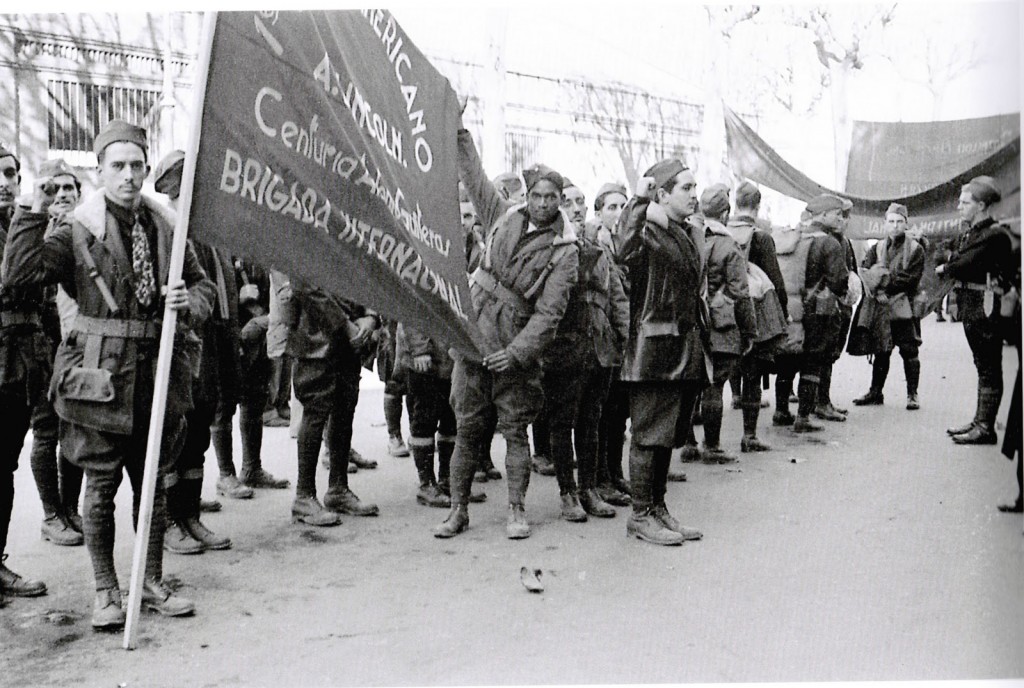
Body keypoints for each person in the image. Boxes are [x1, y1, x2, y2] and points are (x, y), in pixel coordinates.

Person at [3, 120, 213, 628]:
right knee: (99, 487)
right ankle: (105, 591)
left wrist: (190, 302)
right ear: (99, 171)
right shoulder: (76, 227)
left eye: (137, 165)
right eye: (117, 166)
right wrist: (32, 209)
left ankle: (152, 580)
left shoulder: (167, 226)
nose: (129, 175)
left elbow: (203, 288)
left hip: (158, 373)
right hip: (98, 376)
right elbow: (19, 276)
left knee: (153, 485)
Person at [434, 116, 579, 540]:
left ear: (561, 201)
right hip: (474, 338)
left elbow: (549, 316)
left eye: (553, 197)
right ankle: (457, 510)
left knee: (515, 430)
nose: (544, 204)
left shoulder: (565, 251)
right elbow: (475, 177)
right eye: (537, 195)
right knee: (468, 428)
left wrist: (515, 354)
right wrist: (459, 131)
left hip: (515, 348)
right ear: (528, 194)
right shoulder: (502, 215)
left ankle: (517, 510)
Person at [616, 159, 707, 546]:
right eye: (685, 188)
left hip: (682, 347)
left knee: (668, 435)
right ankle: (639, 515)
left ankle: (658, 508)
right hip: (653, 351)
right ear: (662, 194)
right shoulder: (647, 233)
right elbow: (622, 244)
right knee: (648, 435)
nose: (694, 194)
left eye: (694, 187)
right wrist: (637, 199)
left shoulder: (683, 233)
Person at [153, 150, 237, 555]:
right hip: (183, 343)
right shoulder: (170, 227)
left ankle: (190, 516)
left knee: (200, 429)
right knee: (176, 434)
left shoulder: (208, 229)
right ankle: (169, 521)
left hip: (214, 341)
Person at [281, 278, 380, 525]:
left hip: (349, 337)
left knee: (344, 411)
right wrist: (345, 324)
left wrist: (370, 316)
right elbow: (305, 283)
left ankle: (338, 489)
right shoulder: (306, 238)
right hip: (316, 336)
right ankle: (304, 496)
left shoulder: (348, 237)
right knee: (315, 413)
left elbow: (362, 272)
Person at [27, 159, 86, 547]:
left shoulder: (83, 233)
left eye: (70, 188)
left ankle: (69, 508)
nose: (63, 194)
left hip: (76, 347)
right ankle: (51, 514)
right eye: (55, 187)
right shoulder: (33, 234)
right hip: (40, 346)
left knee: (74, 429)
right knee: (46, 431)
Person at [0, 145, 49, 603]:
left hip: (19, 363)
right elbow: (12, 280)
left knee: (4, 467)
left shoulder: (20, 226)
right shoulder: (21, 228)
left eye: (11, 173)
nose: (5, 182)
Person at [937, 176, 1016, 445]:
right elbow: (955, 258)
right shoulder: (975, 233)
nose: (959, 206)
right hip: (974, 304)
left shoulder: (992, 234)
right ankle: (980, 421)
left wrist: (948, 266)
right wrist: (952, 262)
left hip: (986, 306)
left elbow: (960, 264)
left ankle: (985, 427)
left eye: (965, 202)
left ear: (981, 205)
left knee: (989, 366)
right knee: (983, 365)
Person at [773, 195, 851, 434]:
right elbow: (839, 281)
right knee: (813, 360)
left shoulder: (794, 235)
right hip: (819, 310)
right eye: (836, 213)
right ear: (824, 215)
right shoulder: (829, 243)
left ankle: (781, 410)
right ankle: (803, 417)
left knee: (788, 359)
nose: (840, 218)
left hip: (792, 306)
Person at [726, 181, 789, 452]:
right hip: (752, 310)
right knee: (753, 372)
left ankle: (710, 440)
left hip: (723, 308)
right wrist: (782, 312)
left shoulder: (720, 231)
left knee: (721, 370)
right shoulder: (761, 237)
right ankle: (749, 435)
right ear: (757, 204)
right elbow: (775, 281)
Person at [696, 184, 757, 462]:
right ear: (725, 213)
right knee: (714, 386)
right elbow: (741, 294)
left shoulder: (690, 236)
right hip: (721, 326)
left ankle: (687, 444)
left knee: (690, 387)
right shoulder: (727, 244)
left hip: (692, 322)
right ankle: (712, 446)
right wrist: (749, 331)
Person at [851, 203, 925, 410]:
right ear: (885, 224)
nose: (895, 226)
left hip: (905, 307)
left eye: (899, 222)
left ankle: (912, 394)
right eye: (891, 222)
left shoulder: (916, 249)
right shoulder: (877, 247)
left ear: (906, 224)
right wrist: (877, 287)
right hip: (882, 306)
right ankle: (875, 392)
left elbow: (909, 279)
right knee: (881, 350)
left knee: (909, 350)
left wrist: (883, 285)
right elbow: (865, 271)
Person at [587, 183, 632, 505]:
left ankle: (615, 473)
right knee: (601, 413)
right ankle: (600, 478)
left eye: (622, 206)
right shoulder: (594, 244)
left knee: (619, 412)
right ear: (599, 212)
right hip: (603, 337)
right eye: (611, 207)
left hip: (625, 334)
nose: (617, 213)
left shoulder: (629, 243)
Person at [394, 323, 462, 508]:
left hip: (449, 356)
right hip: (424, 360)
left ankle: (447, 480)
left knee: (451, 419)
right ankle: (427, 485)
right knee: (425, 419)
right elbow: (409, 308)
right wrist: (419, 349)